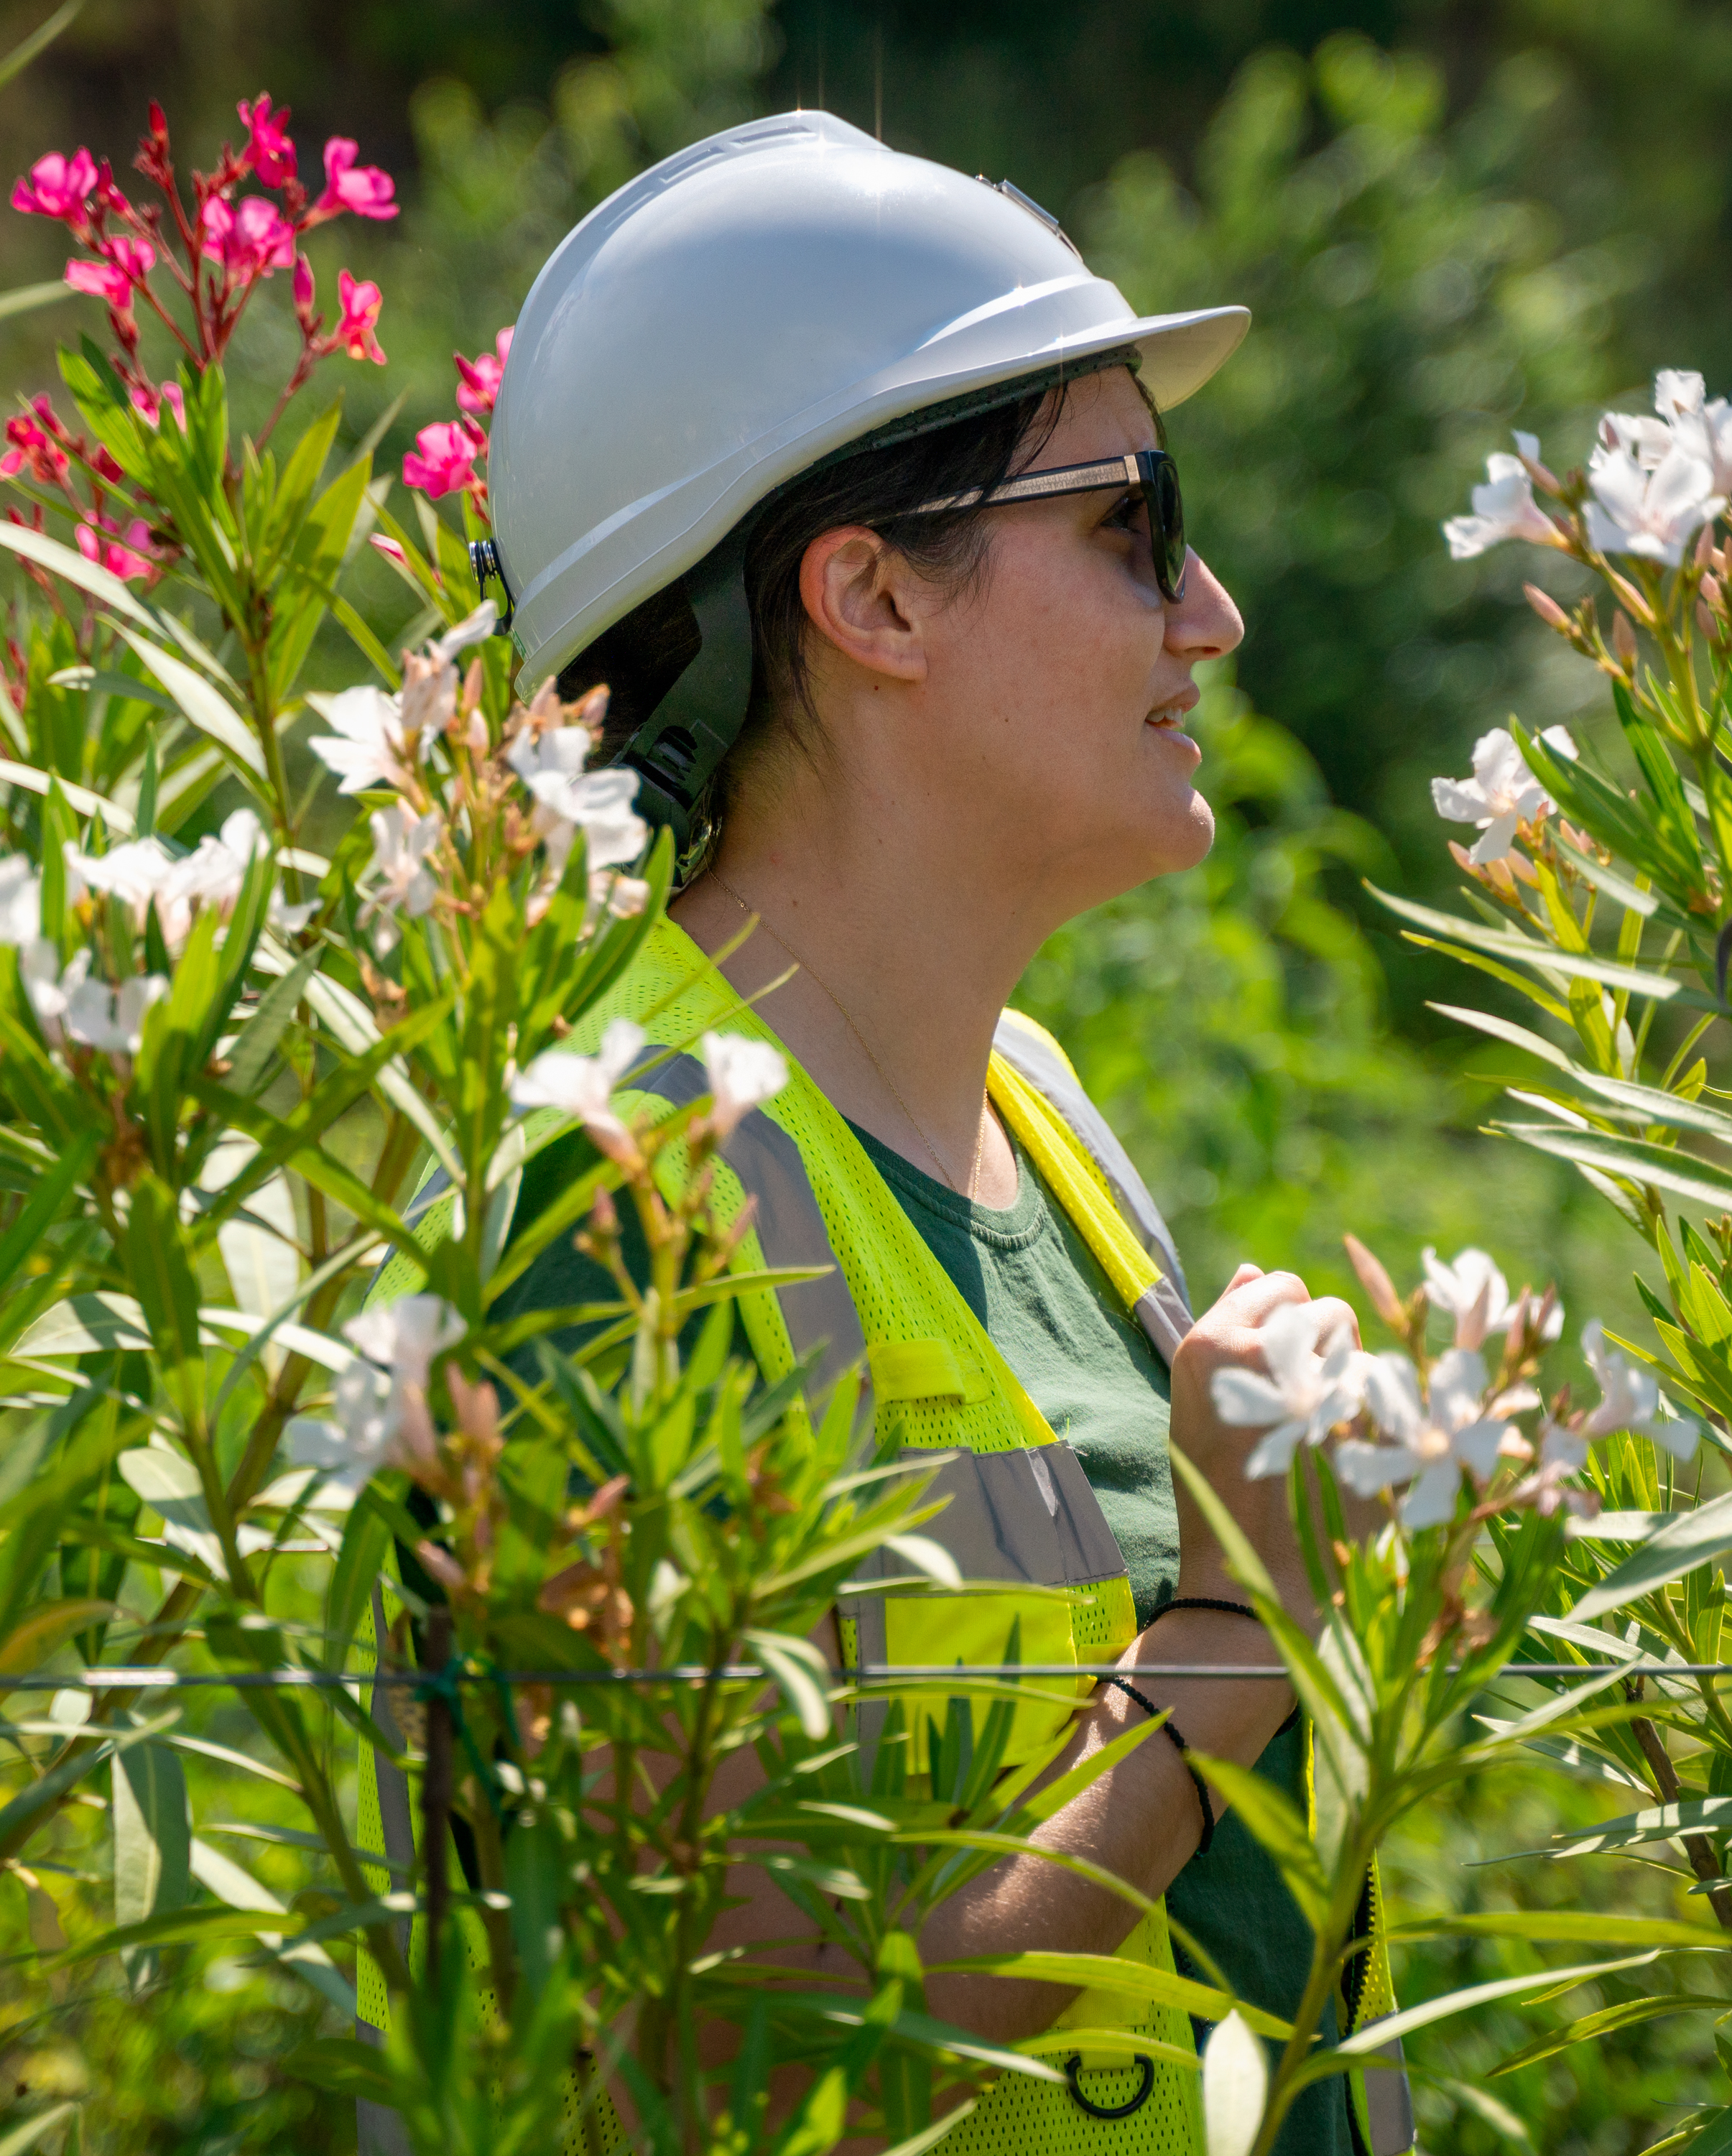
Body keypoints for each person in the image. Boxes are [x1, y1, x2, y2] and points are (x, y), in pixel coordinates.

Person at [386, 111, 1409, 2156]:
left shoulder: (1038, 1110)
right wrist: (1231, 1636)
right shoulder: (616, 1197)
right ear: (871, 595)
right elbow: (744, 2070)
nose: (1209, 611)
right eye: (1131, 520)